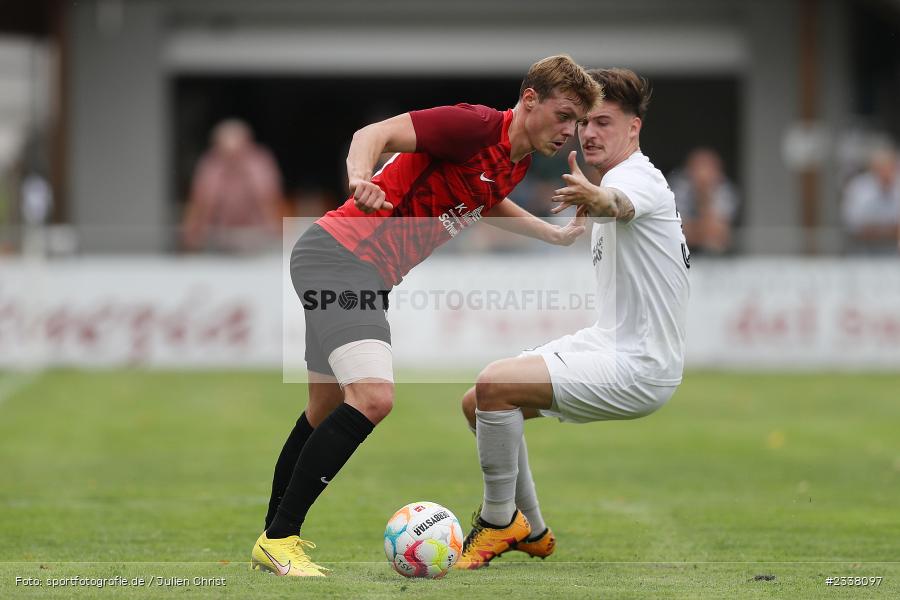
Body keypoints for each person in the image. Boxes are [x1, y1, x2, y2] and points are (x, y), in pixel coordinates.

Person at [250, 55, 603, 577]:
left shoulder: (516, 161)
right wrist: (358, 178)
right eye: (564, 115)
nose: (570, 132)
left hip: (350, 264)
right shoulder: (474, 125)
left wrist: (553, 234)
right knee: (373, 396)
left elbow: (488, 198)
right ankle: (281, 538)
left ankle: (273, 538)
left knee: (325, 411)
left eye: (578, 123)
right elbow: (375, 133)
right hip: (344, 258)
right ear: (530, 100)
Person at [454, 68, 691, 569]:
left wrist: (598, 197)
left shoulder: (636, 178)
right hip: (610, 344)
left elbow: (619, 204)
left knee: (494, 385)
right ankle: (532, 530)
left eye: (603, 121)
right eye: (584, 122)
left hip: (640, 365)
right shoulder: (615, 177)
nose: (588, 133)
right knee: (479, 403)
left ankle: (499, 522)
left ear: (634, 128)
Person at [182, 119, 283, 253]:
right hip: (219, 237)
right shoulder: (210, 164)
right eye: (225, 155)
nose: (232, 160)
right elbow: (201, 202)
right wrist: (193, 235)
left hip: (256, 236)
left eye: (237, 154)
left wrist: (276, 234)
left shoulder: (260, 162)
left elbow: (269, 199)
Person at [669, 147, 739, 255]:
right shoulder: (677, 188)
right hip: (678, 255)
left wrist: (704, 195)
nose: (702, 174)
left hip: (717, 258)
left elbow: (720, 235)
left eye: (708, 168)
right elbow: (678, 232)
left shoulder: (725, 190)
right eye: (698, 167)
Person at [841, 146, 900, 254]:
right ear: (873, 169)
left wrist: (876, 229)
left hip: (894, 251)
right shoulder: (858, 188)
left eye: (889, 168)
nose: (886, 173)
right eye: (882, 168)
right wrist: (891, 230)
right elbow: (855, 225)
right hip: (863, 250)